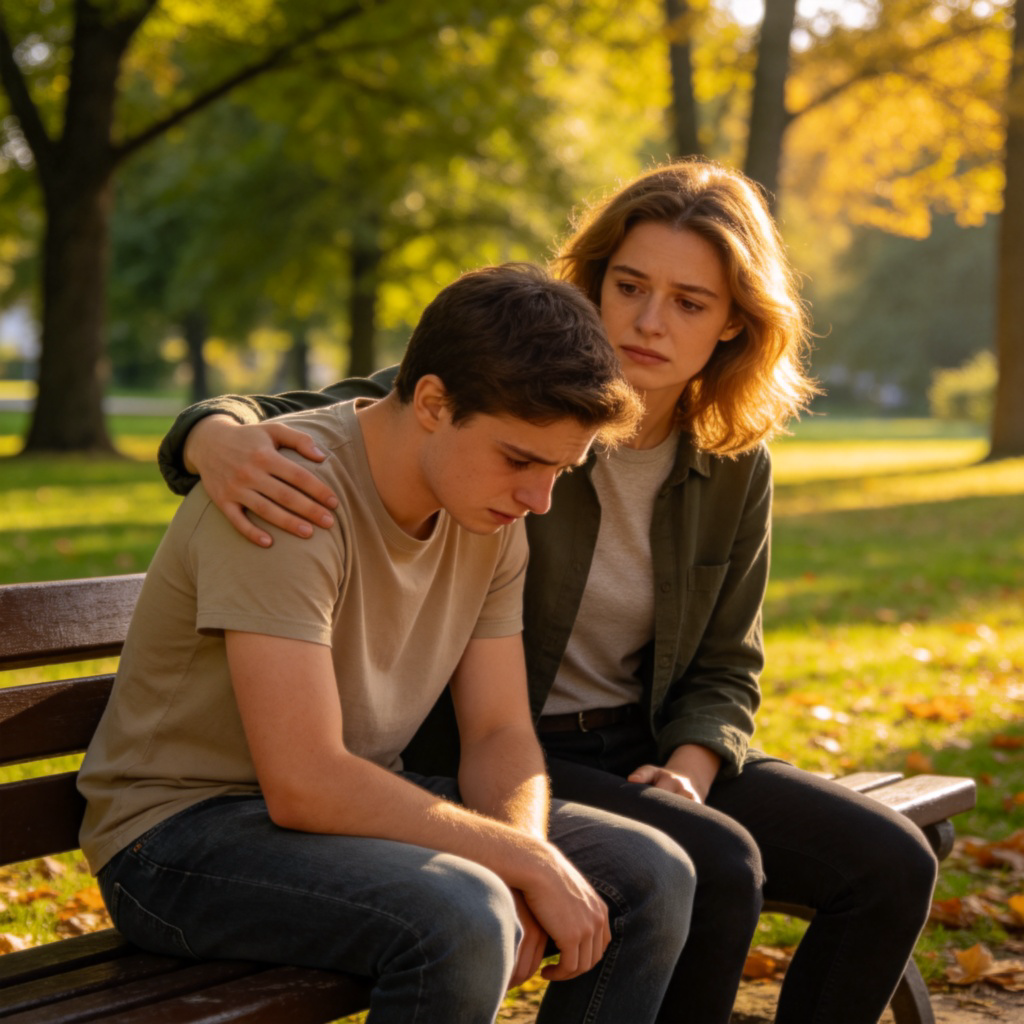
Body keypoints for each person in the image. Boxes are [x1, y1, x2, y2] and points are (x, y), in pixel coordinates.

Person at [157, 159, 939, 1024]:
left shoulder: (729, 466)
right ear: (594, 282)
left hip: (634, 745)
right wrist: (212, 436)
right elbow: (346, 418)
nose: (648, 321)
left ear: (732, 324)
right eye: (630, 285)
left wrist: (689, 766)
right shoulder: (508, 399)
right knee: (712, 865)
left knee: (891, 863)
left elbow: (725, 664)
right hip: (491, 751)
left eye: (689, 301)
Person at [80, 263, 699, 1024]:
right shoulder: (288, 489)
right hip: (178, 841)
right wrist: (520, 862)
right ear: (435, 402)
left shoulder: (493, 515)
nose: (539, 499)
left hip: (351, 808)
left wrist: (521, 848)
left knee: (653, 874)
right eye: (521, 460)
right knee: (461, 915)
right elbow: (303, 781)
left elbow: (500, 731)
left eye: (560, 472)